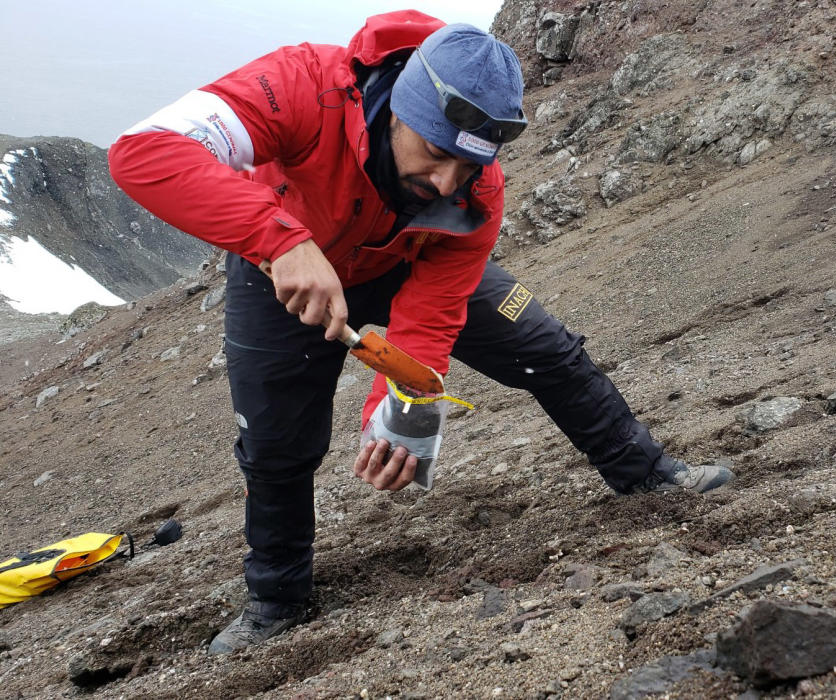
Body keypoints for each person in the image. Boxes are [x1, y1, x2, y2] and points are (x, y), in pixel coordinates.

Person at [109, 11, 734, 656]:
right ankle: (277, 598)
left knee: (545, 347)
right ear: (397, 111)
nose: (444, 182)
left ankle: (650, 477)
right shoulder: (302, 85)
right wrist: (282, 242)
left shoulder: (473, 193)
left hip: (406, 258)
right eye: (435, 154)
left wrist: (396, 410)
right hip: (283, 267)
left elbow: (432, 314)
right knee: (275, 443)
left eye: (465, 167)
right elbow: (144, 150)